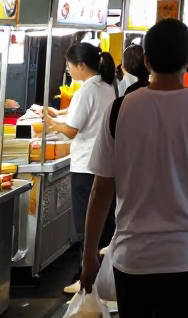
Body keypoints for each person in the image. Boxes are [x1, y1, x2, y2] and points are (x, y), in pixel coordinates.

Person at [79, 19, 188, 317]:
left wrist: (89, 256)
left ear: (147, 61)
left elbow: (101, 190)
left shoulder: (120, 110)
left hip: (133, 257)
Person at [44, 42, 119, 295]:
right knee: (105, 224)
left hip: (86, 166)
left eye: (69, 65)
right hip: (104, 163)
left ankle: (88, 279)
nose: (68, 70)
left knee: (86, 225)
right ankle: (106, 278)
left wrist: (51, 122)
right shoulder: (107, 85)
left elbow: (72, 130)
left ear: (80, 65)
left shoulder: (86, 91)